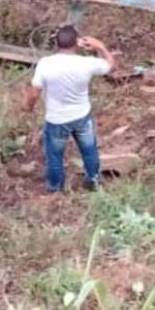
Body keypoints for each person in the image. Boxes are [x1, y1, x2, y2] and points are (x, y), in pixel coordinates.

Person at [23, 25, 117, 192]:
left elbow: (34, 92)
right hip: (82, 116)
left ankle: (54, 188)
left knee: (54, 157)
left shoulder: (45, 64)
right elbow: (111, 66)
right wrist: (100, 46)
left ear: (56, 43)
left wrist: (28, 107)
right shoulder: (87, 63)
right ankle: (93, 181)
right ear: (77, 43)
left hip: (56, 119)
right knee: (89, 151)